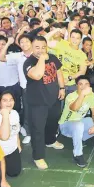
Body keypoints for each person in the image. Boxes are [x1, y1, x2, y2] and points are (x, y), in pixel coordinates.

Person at [23, 36, 66, 170]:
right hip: (37, 101)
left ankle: (50, 140)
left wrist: (62, 88)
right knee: (38, 129)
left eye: (43, 47)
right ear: (31, 47)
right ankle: (38, 156)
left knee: (53, 121)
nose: (41, 50)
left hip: (53, 98)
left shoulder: (52, 57)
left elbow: (59, 73)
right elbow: (37, 75)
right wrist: (41, 58)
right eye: (37, 47)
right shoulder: (28, 62)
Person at [59, 75, 94, 167]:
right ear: (77, 85)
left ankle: (80, 138)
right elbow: (74, 108)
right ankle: (77, 154)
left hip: (80, 122)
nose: (83, 86)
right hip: (66, 125)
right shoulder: (71, 96)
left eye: (86, 84)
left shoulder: (91, 95)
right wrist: (82, 94)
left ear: (90, 86)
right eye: (80, 84)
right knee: (78, 125)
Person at [0, 34, 33, 144]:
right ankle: (29, 133)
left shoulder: (37, 54)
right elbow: (1, 58)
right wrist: (8, 43)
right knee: (27, 111)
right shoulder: (18, 56)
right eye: (21, 42)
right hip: (26, 88)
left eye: (27, 41)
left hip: (40, 87)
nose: (24, 44)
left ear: (32, 42)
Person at [0, 91, 22, 177]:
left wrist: (18, 144)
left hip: (11, 149)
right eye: (5, 100)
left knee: (14, 173)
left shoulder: (14, 113)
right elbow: (4, 137)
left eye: (11, 100)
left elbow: (16, 130)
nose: (9, 103)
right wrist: (5, 116)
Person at [46, 28, 87, 95]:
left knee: (70, 104)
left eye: (77, 38)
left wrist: (69, 78)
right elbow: (45, 41)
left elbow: (82, 72)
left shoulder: (82, 55)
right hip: (57, 81)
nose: (74, 40)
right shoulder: (62, 44)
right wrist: (56, 30)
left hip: (72, 84)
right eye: (73, 37)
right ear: (69, 37)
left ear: (80, 40)